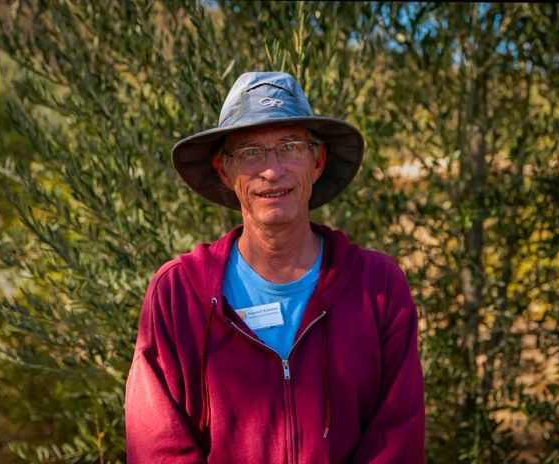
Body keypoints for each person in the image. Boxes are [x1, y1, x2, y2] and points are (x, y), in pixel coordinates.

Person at [125, 71, 425, 463]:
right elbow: (157, 448)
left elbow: (396, 443)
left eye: (289, 147)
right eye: (251, 152)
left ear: (317, 162)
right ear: (224, 171)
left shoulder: (379, 287)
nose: (272, 170)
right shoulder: (178, 293)